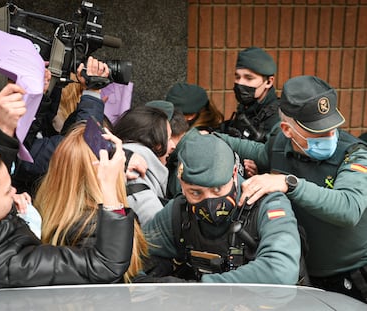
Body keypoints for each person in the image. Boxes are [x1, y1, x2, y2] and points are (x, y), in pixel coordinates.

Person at [217, 75, 367, 302]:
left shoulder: (355, 153)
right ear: (288, 130)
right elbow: (254, 151)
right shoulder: (279, 141)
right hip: (298, 275)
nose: (330, 136)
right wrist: (205, 139)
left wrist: (288, 183)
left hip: (350, 277)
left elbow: (349, 208)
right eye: (317, 131)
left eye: (332, 127)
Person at [0, 147, 134, 289]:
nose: (14, 191)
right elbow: (104, 265)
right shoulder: (9, 264)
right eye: (7, 190)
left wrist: (7, 210)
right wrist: (109, 190)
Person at [141, 133, 301, 284]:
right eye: (195, 192)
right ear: (181, 185)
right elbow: (137, 258)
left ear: (234, 174)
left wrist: (199, 289)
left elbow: (281, 271)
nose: (210, 202)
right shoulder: (178, 212)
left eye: (217, 189)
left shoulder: (268, 204)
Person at [35, 123, 148, 283]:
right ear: (101, 174)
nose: (122, 167)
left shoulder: (48, 210)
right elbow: (112, 283)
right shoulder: (94, 228)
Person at [113, 105, 176, 225]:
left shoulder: (120, 162)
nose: (173, 146)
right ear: (154, 142)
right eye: (167, 139)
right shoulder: (135, 178)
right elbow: (155, 234)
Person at [221, 46, 279, 143]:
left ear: (269, 82)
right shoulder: (248, 107)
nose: (240, 83)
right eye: (237, 77)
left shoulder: (277, 119)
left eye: (249, 78)